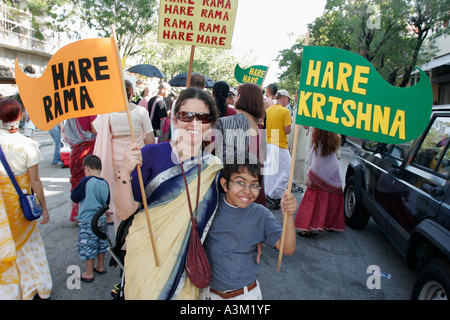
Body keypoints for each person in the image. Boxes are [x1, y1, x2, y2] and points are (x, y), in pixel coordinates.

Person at [114, 87, 222, 300]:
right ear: (174, 119)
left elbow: (220, 216)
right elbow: (125, 212)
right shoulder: (151, 154)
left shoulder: (213, 167)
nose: (194, 123)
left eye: (202, 117)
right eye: (186, 115)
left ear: (211, 125)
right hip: (145, 255)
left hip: (187, 260)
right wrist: (125, 172)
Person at [199, 154, 297, 300]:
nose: (247, 190)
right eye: (240, 182)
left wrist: (287, 215)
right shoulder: (210, 207)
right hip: (208, 294)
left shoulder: (261, 215)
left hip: (245, 295)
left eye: (254, 185)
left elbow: (287, 248)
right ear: (225, 184)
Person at [0, 98, 52, 299]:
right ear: (20, 116)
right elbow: (35, 181)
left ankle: (10, 290)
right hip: (20, 207)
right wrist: (44, 209)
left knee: (7, 244)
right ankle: (36, 286)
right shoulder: (28, 144)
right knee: (29, 245)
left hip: (3, 210)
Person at [93, 79, 154, 230]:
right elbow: (152, 141)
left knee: (119, 193)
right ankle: (139, 231)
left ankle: (121, 236)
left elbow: (98, 131)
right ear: (132, 93)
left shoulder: (108, 114)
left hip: (116, 161)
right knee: (139, 193)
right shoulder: (141, 112)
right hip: (137, 157)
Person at [213, 82, 267, 205]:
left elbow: (215, 157)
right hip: (254, 189)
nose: (234, 97)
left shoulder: (226, 123)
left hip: (233, 193)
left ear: (242, 98)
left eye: (237, 94)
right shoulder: (260, 128)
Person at [294, 128, 345, 237]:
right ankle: (329, 224)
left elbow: (310, 153)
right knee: (333, 196)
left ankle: (307, 227)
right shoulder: (334, 135)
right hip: (332, 166)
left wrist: (308, 167)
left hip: (318, 166)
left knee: (312, 198)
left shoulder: (316, 133)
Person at [71, 155, 110, 282]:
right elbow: (107, 202)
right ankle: (100, 266)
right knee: (101, 242)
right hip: (102, 218)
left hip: (88, 220)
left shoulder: (86, 181)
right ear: (100, 168)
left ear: (86, 168)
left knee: (88, 245)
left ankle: (88, 273)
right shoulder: (105, 182)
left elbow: (75, 197)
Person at [64, 115, 97, 222]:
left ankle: (78, 213)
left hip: (76, 149)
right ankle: (89, 213)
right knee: (92, 179)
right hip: (89, 148)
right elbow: (95, 129)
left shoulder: (73, 111)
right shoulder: (90, 111)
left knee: (77, 179)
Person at [264, 89, 292, 209]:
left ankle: (268, 194)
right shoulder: (285, 111)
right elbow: (287, 130)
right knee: (287, 171)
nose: (288, 101)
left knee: (271, 172)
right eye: (288, 99)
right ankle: (273, 194)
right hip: (280, 143)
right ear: (284, 98)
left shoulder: (268, 110)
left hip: (270, 141)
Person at [287, 90, 309, 193]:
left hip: (299, 145)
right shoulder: (307, 108)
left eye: (295, 94)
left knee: (298, 169)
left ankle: (299, 185)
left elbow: (295, 130)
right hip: (304, 145)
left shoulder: (300, 109)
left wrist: (289, 144)